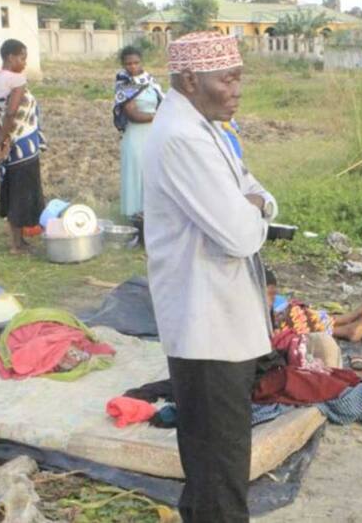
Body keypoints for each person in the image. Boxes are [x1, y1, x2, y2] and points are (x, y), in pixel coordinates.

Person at [143, 32, 277, 522]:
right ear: (190, 80)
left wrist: (255, 204)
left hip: (221, 320)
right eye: (229, 78)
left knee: (211, 465)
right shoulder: (182, 137)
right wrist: (252, 208)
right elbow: (242, 236)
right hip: (206, 326)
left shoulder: (207, 127)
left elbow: (255, 191)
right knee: (219, 469)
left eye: (239, 76)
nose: (238, 89)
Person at [0, 39, 45, 254]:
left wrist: (1, 137)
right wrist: (6, 139)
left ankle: (17, 241)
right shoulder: (17, 80)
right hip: (23, 145)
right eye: (22, 57)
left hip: (10, 146)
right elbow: (11, 111)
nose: (24, 62)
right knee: (23, 192)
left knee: (13, 191)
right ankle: (17, 246)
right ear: (10, 57)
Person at [113, 45, 163, 219]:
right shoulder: (124, 84)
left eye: (136, 63)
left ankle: (154, 215)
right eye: (128, 64)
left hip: (153, 136)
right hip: (135, 136)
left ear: (141, 62)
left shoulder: (151, 81)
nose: (133, 67)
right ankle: (136, 219)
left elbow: (163, 103)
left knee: (153, 176)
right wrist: (158, 116)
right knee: (137, 176)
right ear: (123, 65)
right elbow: (133, 115)